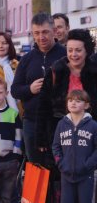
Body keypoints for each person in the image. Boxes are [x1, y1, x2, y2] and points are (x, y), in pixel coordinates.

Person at [11, 12, 66, 164]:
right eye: (37, 33)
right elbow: (15, 90)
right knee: (36, 166)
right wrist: (30, 89)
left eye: (45, 32)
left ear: (54, 31)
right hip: (31, 121)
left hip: (59, 121)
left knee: (59, 166)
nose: (41, 37)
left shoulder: (65, 55)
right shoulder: (27, 59)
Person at [52, 90, 97, 203]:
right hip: (66, 175)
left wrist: (88, 165)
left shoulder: (93, 125)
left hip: (85, 176)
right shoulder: (61, 124)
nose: (73, 103)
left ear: (86, 105)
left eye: (78, 101)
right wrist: (61, 163)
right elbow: (56, 146)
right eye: (70, 100)